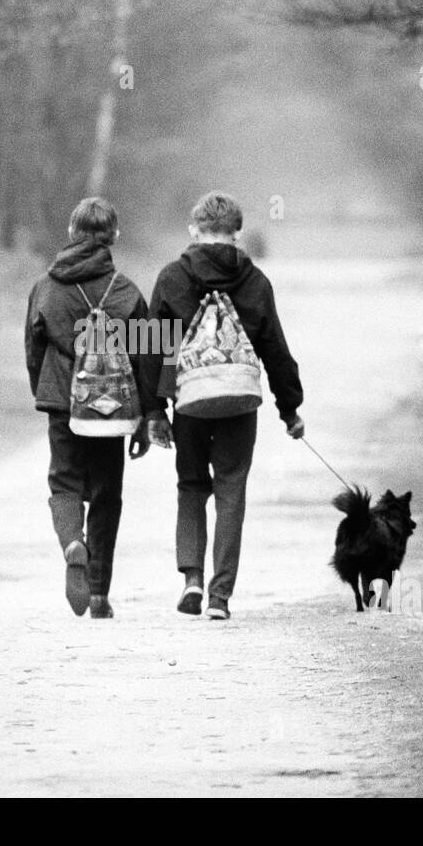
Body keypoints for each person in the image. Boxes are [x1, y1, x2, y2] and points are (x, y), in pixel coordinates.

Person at [140, 192, 304, 620]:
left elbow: (155, 350)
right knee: (231, 490)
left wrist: (155, 410)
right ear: (237, 232)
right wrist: (290, 409)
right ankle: (219, 597)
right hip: (238, 403)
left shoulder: (172, 278)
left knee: (191, 486)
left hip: (191, 402)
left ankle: (191, 578)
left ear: (194, 229)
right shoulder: (255, 282)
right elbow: (276, 350)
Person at [24, 197, 155, 619]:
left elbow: (34, 348)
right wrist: (144, 417)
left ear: (70, 232)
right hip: (111, 409)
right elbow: (147, 356)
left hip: (63, 400)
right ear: (114, 236)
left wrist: (44, 393)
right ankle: (98, 593)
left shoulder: (45, 287)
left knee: (64, 482)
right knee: (106, 494)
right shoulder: (126, 291)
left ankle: (72, 543)